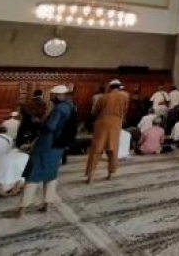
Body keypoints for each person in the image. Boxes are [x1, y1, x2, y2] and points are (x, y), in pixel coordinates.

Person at [16, 85, 73, 217]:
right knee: (51, 175)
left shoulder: (59, 108)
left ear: (58, 95)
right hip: (58, 147)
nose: (51, 98)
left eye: (52, 95)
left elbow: (51, 126)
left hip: (47, 145)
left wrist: (41, 123)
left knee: (33, 175)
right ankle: (47, 204)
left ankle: (22, 209)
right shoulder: (70, 106)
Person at [85, 79, 130, 184]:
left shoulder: (103, 97)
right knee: (112, 149)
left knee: (96, 150)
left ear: (109, 87)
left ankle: (91, 177)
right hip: (116, 124)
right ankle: (110, 174)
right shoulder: (125, 97)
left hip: (102, 123)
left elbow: (94, 112)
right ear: (119, 87)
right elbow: (125, 112)